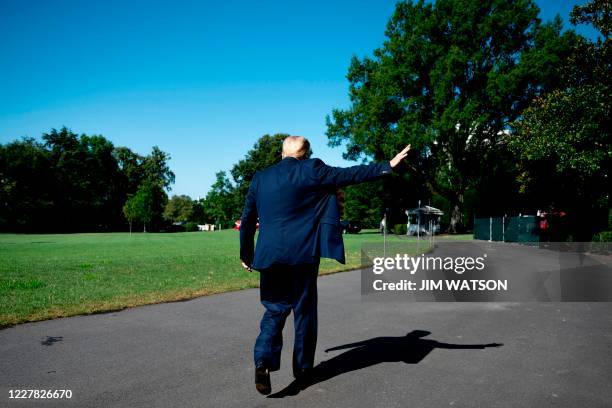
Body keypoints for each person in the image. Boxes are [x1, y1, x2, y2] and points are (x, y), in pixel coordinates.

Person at [239, 136, 411, 395]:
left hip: (270, 256)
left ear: (282, 153)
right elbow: (350, 174)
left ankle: (263, 360)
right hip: (303, 256)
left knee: (274, 311)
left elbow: (248, 218)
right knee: (305, 313)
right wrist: (387, 164)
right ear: (305, 154)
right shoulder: (313, 169)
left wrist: (246, 254)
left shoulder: (261, 177)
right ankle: (303, 369)